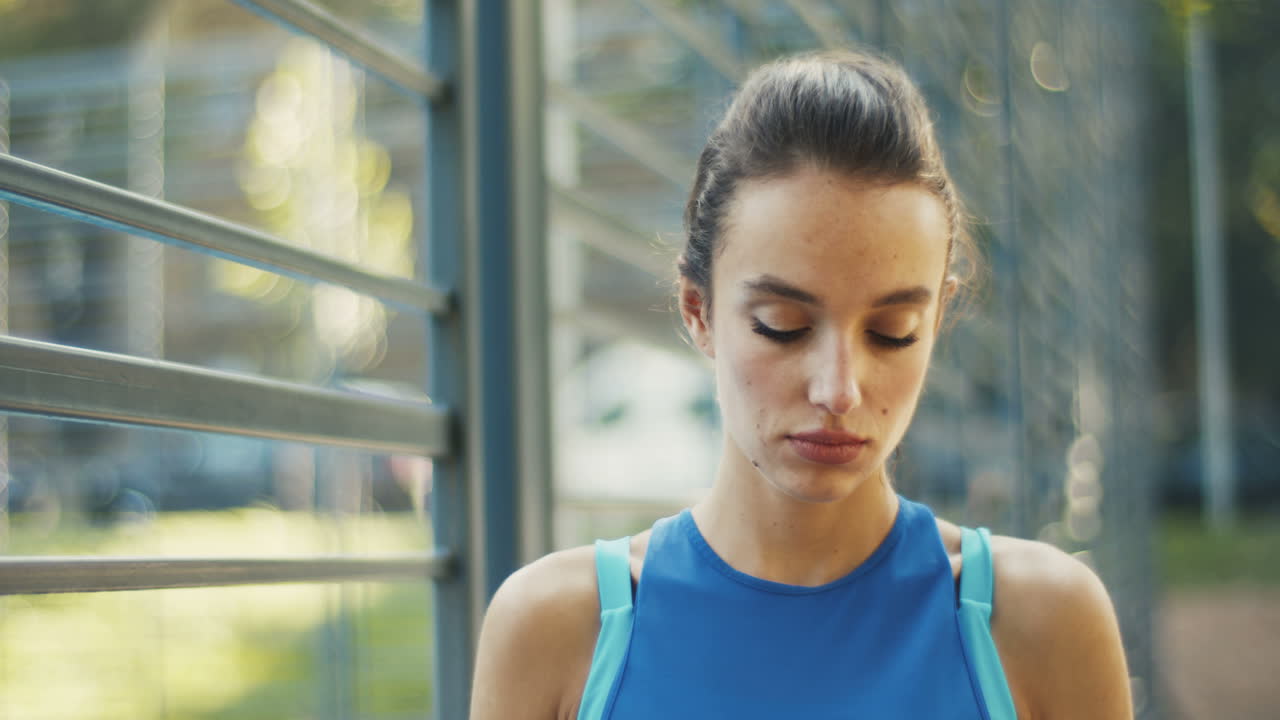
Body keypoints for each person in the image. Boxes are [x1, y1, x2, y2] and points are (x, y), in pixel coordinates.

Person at [470, 50, 1133, 719]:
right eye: (782, 325)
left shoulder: (1044, 622)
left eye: (893, 330)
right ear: (697, 311)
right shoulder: (554, 631)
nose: (839, 390)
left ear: (938, 317)